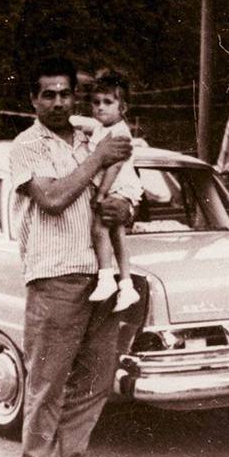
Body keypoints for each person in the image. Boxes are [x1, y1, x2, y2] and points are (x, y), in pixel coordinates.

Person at [9, 56, 135, 457]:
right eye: (49, 94)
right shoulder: (27, 145)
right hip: (55, 275)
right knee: (48, 378)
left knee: (97, 376)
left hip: (102, 275)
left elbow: (120, 188)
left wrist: (125, 208)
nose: (59, 102)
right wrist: (98, 158)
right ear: (33, 99)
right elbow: (53, 197)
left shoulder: (92, 135)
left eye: (66, 94)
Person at [85, 70, 143, 312]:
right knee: (117, 234)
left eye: (108, 102)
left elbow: (114, 166)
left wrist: (100, 194)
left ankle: (106, 277)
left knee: (99, 227)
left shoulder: (119, 132)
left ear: (123, 107)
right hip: (116, 187)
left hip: (119, 185)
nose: (100, 107)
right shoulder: (102, 127)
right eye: (96, 102)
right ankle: (127, 286)